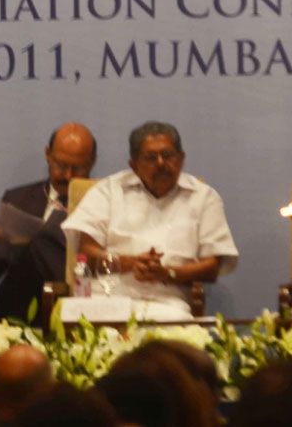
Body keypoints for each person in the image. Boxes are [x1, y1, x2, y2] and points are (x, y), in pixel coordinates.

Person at [62, 121, 237, 321]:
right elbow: (86, 252)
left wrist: (167, 273)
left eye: (168, 155)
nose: (161, 163)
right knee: (84, 322)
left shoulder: (204, 197)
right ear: (134, 165)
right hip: (107, 298)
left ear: (181, 158)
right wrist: (131, 263)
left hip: (167, 303)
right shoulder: (107, 191)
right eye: (150, 158)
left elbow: (212, 266)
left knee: (172, 327)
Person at [0, 123, 97, 321]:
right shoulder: (18, 200)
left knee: (41, 244)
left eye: (77, 168)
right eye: (61, 165)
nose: (68, 175)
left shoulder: (102, 201)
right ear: (48, 154)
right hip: (22, 305)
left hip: (82, 301)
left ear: (92, 162)